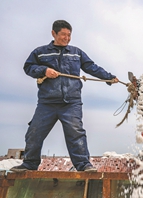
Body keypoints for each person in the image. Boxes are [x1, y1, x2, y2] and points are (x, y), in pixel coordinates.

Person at [10, 20, 118, 172]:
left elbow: (91, 67)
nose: (66, 38)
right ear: (53, 33)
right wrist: (43, 70)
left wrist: (109, 78)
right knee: (34, 132)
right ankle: (29, 164)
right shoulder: (40, 52)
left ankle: (83, 165)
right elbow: (28, 67)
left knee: (76, 133)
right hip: (47, 102)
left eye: (69, 35)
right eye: (63, 35)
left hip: (71, 102)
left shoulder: (76, 52)